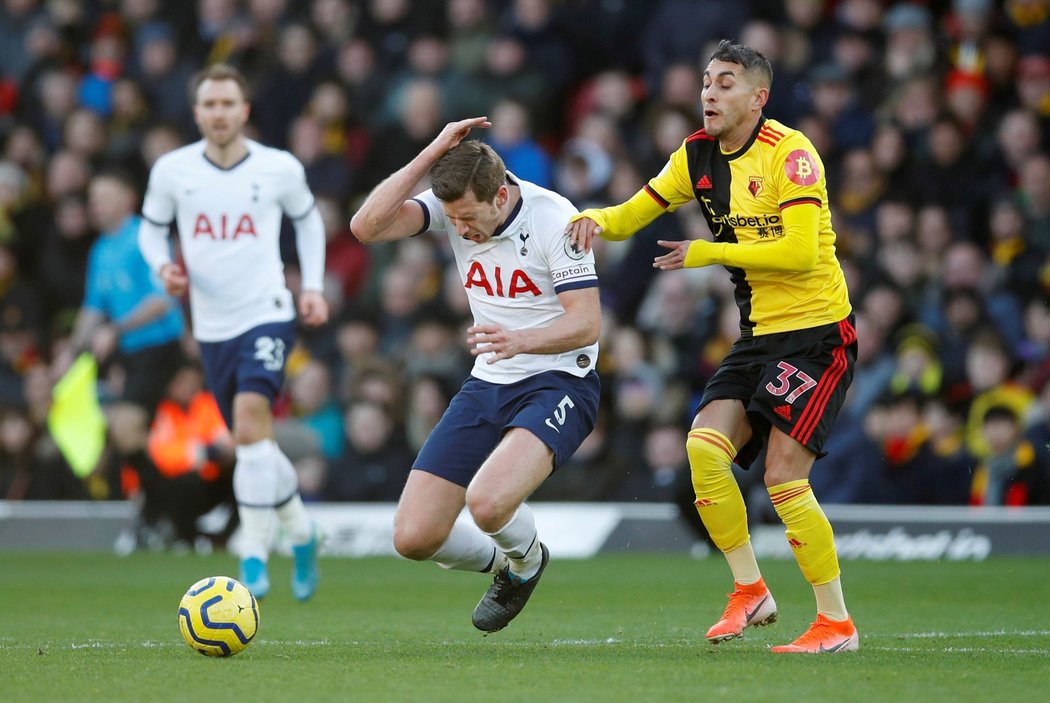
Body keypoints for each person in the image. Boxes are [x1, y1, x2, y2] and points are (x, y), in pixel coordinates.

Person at [567, 40, 860, 654]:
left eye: (726, 83)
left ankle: (836, 623)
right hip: (757, 336)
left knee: (784, 479)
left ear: (758, 98)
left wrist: (710, 252)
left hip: (815, 335)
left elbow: (802, 252)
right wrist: (592, 218)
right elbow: (633, 212)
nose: (709, 92)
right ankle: (749, 588)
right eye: (705, 81)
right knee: (703, 448)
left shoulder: (792, 154)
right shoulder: (695, 156)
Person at [351, 117, 601, 633]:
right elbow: (365, 227)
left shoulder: (555, 218)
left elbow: (587, 323)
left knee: (487, 503)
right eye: (452, 218)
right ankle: (507, 567)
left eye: (468, 219)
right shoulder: (455, 210)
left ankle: (528, 563)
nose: (460, 230)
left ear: (501, 195)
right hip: (489, 379)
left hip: (560, 380)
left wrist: (520, 340)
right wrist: (433, 153)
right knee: (414, 538)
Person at [137, 64, 328, 602]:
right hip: (213, 326)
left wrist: (311, 287)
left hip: (267, 311)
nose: (219, 113)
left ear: (244, 111)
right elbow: (152, 231)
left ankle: (253, 557)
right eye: (209, 104)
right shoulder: (173, 171)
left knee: (248, 423)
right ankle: (304, 534)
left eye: (228, 103)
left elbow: (308, 221)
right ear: (197, 112)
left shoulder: (278, 168)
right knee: (255, 441)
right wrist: (162, 269)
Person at [69, 170, 185, 508]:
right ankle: (158, 511)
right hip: (131, 354)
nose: (97, 207)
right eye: (93, 201)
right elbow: (92, 308)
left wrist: (116, 329)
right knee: (123, 435)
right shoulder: (101, 249)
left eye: (105, 199)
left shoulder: (146, 239)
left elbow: (163, 300)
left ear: (128, 200)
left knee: (124, 429)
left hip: (160, 348)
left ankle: (165, 511)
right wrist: (69, 352)